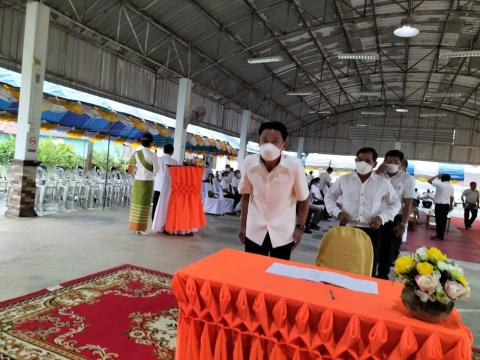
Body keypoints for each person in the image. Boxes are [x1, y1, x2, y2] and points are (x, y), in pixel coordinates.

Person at [325, 147, 401, 276]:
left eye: (367, 160)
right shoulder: (344, 180)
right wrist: (338, 212)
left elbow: (396, 203)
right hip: (347, 229)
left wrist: (381, 218)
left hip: (371, 232)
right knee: (343, 265)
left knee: (367, 267)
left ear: (375, 164)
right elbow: (329, 197)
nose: (362, 163)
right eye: (359, 160)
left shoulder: (383, 183)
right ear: (355, 160)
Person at [238, 121, 309, 260]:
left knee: (278, 274)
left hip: (283, 233)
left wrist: (300, 228)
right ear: (259, 142)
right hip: (254, 230)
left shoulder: (294, 166)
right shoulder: (249, 163)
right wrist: (242, 225)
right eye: (264, 140)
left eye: (275, 141)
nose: (269, 145)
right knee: (252, 272)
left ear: (283, 145)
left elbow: (304, 200)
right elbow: (246, 196)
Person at [376, 150, 416, 279]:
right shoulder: (377, 175)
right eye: (388, 161)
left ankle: (382, 277)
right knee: (371, 248)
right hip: (374, 217)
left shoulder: (407, 179)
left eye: (395, 162)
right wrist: (377, 172)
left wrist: (403, 224)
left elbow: (408, 203)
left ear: (401, 163)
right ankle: (368, 275)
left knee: (387, 252)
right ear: (384, 162)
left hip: (393, 219)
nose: (391, 164)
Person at [127, 133, 159, 234]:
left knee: (136, 204)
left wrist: (138, 171)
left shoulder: (136, 154)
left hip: (137, 182)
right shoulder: (153, 155)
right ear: (151, 143)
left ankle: (135, 228)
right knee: (145, 205)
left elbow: (130, 169)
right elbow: (156, 170)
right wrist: (150, 173)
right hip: (148, 182)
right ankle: (142, 229)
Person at [152, 144, 178, 220]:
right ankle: (165, 220)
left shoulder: (158, 160)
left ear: (163, 150)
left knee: (156, 205)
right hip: (169, 187)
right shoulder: (175, 162)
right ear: (172, 152)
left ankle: (154, 219)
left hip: (158, 186)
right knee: (166, 206)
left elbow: (154, 172)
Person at [428, 174, 454, 240]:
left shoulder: (440, 184)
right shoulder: (451, 186)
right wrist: (451, 205)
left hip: (439, 205)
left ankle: (439, 236)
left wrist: (436, 176)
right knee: (443, 221)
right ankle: (441, 236)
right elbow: (451, 197)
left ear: (442, 179)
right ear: (449, 179)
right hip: (446, 205)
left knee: (439, 221)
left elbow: (429, 180)